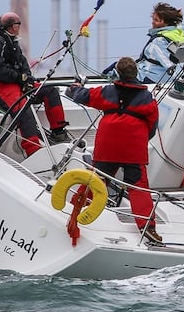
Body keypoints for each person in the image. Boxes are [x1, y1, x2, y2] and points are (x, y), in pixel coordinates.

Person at [67, 57, 162, 243]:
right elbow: (152, 126)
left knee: (96, 180)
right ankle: (147, 227)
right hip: (134, 145)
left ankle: (74, 213)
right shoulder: (148, 98)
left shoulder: (108, 91)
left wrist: (73, 88)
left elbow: (83, 96)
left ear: (117, 73)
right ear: (136, 74)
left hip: (108, 143)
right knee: (138, 186)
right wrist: (140, 139)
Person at [0, 11, 70, 157]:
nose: (19, 27)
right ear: (11, 26)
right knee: (23, 109)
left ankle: (58, 132)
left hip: (16, 83)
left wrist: (27, 79)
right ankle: (33, 151)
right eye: (17, 24)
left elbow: (22, 62)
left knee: (50, 90)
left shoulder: (13, 42)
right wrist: (20, 78)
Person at [136, 2, 184, 84]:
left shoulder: (158, 41)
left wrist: (180, 80)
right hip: (168, 79)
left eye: (157, 20)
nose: (153, 22)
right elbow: (183, 28)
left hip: (150, 78)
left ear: (166, 23)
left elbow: (168, 63)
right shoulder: (178, 34)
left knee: (115, 69)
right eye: (153, 19)